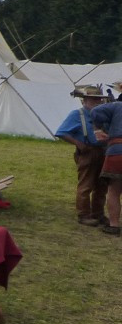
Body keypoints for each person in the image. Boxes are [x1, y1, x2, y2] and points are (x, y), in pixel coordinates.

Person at [54, 84, 109, 226]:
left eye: (99, 100)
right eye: (94, 100)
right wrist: (79, 144)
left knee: (102, 185)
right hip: (87, 152)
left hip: (103, 151)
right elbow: (61, 132)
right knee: (86, 185)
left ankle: (98, 214)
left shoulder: (104, 115)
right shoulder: (77, 114)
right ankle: (84, 215)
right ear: (84, 100)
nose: (97, 102)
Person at [90, 91, 122, 235]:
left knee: (114, 191)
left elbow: (95, 111)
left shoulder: (117, 106)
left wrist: (98, 128)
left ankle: (114, 226)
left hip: (118, 151)